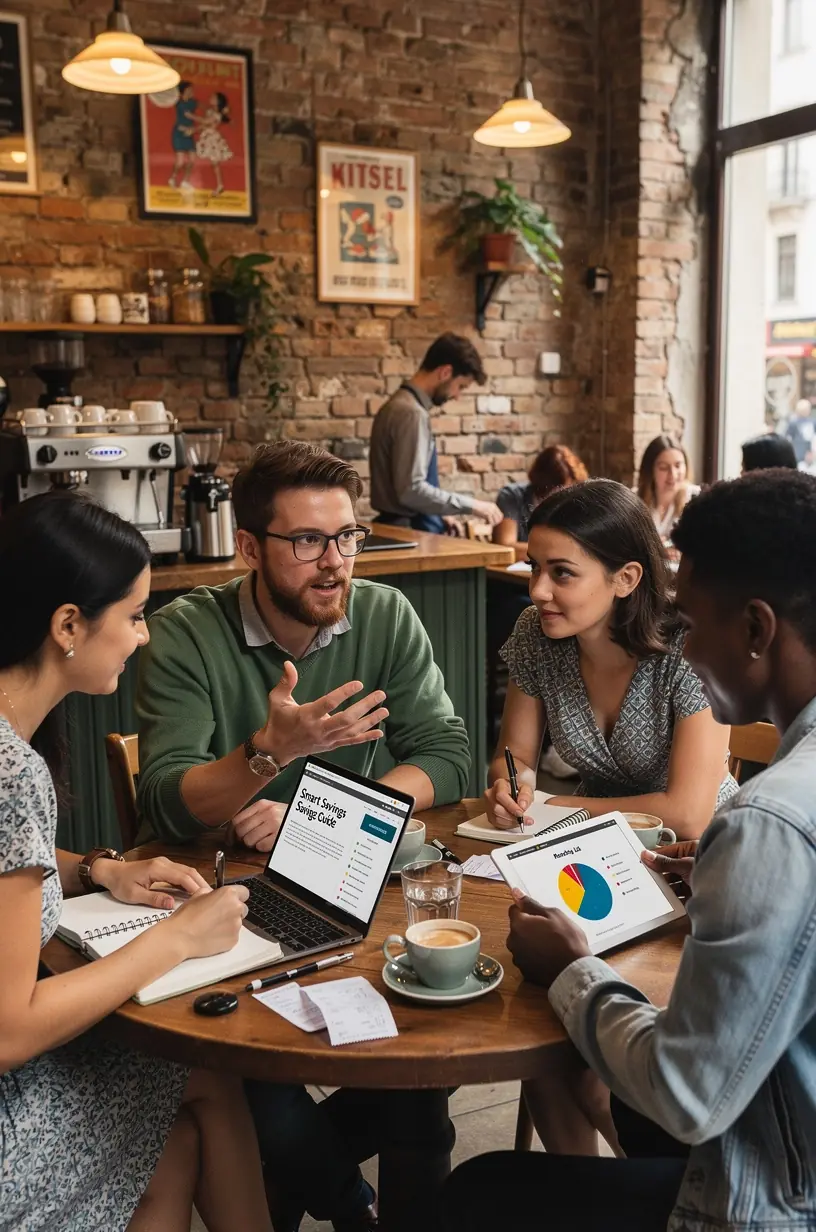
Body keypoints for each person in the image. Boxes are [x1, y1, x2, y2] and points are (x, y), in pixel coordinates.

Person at [444, 468, 816, 1232]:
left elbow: (689, 1094)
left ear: (755, 629)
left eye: (695, 622)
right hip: (780, 1125)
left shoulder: (766, 824)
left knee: (474, 1192)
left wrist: (571, 971)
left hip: (765, 1195)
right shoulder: (779, 818)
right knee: (578, 1066)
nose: (686, 644)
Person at [136, 440, 469, 1230]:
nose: (336, 562)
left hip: (346, 889)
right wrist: (267, 755)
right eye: (309, 540)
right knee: (256, 1075)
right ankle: (350, 1206)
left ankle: (300, 1189)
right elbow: (169, 801)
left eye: (347, 535)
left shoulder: (384, 614)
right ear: (250, 548)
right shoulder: (187, 631)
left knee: (431, 1053)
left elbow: (448, 755)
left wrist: (330, 811)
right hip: (216, 900)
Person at [0, 491, 272, 1232]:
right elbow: (10, 1031)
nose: (144, 636)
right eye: (134, 614)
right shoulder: (12, 772)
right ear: (68, 625)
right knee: (199, 1085)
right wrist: (177, 938)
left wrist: (99, 870)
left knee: (179, 1139)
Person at [483, 479, 737, 1155]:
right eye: (534, 567)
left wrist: (555, 806)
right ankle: (587, 1190)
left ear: (626, 579)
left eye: (561, 573)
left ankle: (646, 1177)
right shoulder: (537, 634)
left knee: (581, 1037)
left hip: (693, 871)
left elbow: (687, 812)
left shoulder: (685, 646)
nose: (538, 589)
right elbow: (515, 756)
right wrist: (512, 786)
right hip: (592, 855)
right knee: (539, 1013)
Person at [369, 332, 502, 533]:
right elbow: (411, 490)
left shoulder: (397, 405)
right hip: (408, 534)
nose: (457, 396)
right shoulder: (411, 413)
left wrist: (438, 513)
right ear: (445, 372)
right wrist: (473, 505)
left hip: (402, 527)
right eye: (460, 386)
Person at [493, 444, 588, 554]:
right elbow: (506, 546)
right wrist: (556, 551)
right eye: (559, 490)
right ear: (544, 483)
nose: (565, 495)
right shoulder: (512, 496)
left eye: (570, 489)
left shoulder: (573, 499)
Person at [636, 434, 700, 539]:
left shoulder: (697, 498)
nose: (673, 475)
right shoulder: (634, 500)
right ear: (650, 471)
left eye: (678, 466)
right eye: (664, 468)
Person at [195, 91, 233, 197]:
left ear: (218, 101)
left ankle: (219, 185)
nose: (211, 98)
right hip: (207, 136)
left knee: (214, 162)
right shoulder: (211, 111)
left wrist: (191, 117)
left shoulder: (217, 115)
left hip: (212, 138)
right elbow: (205, 121)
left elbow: (205, 122)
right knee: (214, 163)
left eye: (214, 98)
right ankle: (219, 185)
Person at [169, 80, 197, 189]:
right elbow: (189, 116)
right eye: (189, 90)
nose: (191, 92)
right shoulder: (180, 104)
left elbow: (205, 107)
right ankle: (173, 178)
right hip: (179, 134)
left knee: (192, 159)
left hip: (188, 133)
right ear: (183, 91)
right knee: (180, 161)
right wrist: (205, 121)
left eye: (192, 90)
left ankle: (185, 181)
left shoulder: (193, 102)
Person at [785, 397, 816, 467]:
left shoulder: (813, 422)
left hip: (805, 455)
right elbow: (788, 438)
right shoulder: (793, 423)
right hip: (799, 455)